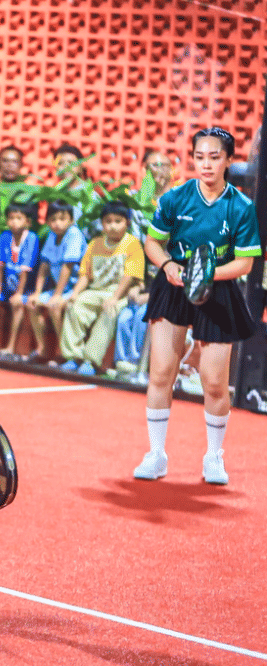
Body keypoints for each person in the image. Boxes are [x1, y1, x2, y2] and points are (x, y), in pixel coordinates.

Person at [133, 127, 262, 485]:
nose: (206, 164)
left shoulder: (241, 207)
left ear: (228, 160)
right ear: (193, 158)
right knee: (161, 372)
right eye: (200, 157)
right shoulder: (176, 198)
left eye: (215, 157)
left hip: (218, 289)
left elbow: (245, 263)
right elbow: (153, 243)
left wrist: (205, 274)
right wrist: (168, 265)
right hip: (174, 285)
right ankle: (156, 455)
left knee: (215, 382)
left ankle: (214, 457)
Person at [56, 201, 144, 375]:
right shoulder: (95, 244)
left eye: (118, 221)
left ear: (127, 223)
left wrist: (114, 298)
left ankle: (90, 361)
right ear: (102, 224)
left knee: (110, 312)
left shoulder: (133, 244)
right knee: (75, 306)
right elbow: (85, 275)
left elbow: (130, 276)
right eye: (108, 221)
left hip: (120, 293)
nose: (112, 226)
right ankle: (74, 356)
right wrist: (74, 294)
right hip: (95, 291)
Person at [24, 201, 88, 363]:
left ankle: (64, 353)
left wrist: (58, 295)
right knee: (32, 303)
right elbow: (44, 265)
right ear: (47, 222)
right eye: (53, 220)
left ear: (71, 220)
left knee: (55, 306)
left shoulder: (74, 234)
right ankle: (43, 349)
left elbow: (68, 267)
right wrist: (37, 293)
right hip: (60, 289)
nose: (57, 223)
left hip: (78, 288)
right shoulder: (52, 235)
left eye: (62, 219)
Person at [0, 201, 40, 359]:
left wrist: (19, 293)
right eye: (11, 218)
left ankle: (10, 347)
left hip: (26, 289)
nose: (14, 222)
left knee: (17, 303)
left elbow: (25, 270)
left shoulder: (32, 238)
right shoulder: (4, 237)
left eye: (19, 218)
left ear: (28, 222)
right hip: (7, 288)